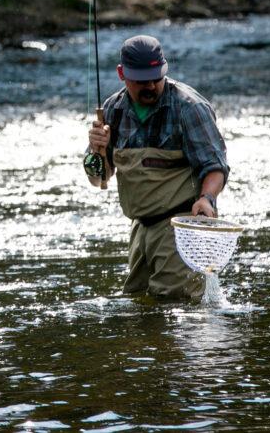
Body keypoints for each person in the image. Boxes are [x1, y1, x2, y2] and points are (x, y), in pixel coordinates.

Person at [85, 35, 229, 300]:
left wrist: (207, 199)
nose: (151, 85)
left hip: (182, 226)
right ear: (121, 74)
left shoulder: (189, 107)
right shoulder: (112, 110)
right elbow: (98, 179)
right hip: (141, 229)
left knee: (175, 305)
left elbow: (215, 166)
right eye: (142, 80)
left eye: (156, 77)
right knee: (138, 302)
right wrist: (97, 150)